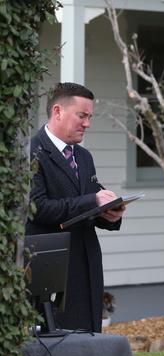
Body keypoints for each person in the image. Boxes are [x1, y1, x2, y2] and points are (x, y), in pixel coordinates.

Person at [26, 82, 125, 333]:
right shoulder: (30, 152)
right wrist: (94, 201)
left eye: (89, 117)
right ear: (57, 111)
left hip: (87, 263)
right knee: (55, 343)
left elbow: (90, 202)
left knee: (88, 340)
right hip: (48, 266)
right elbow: (38, 208)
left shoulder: (83, 157)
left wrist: (111, 213)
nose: (87, 123)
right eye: (82, 116)